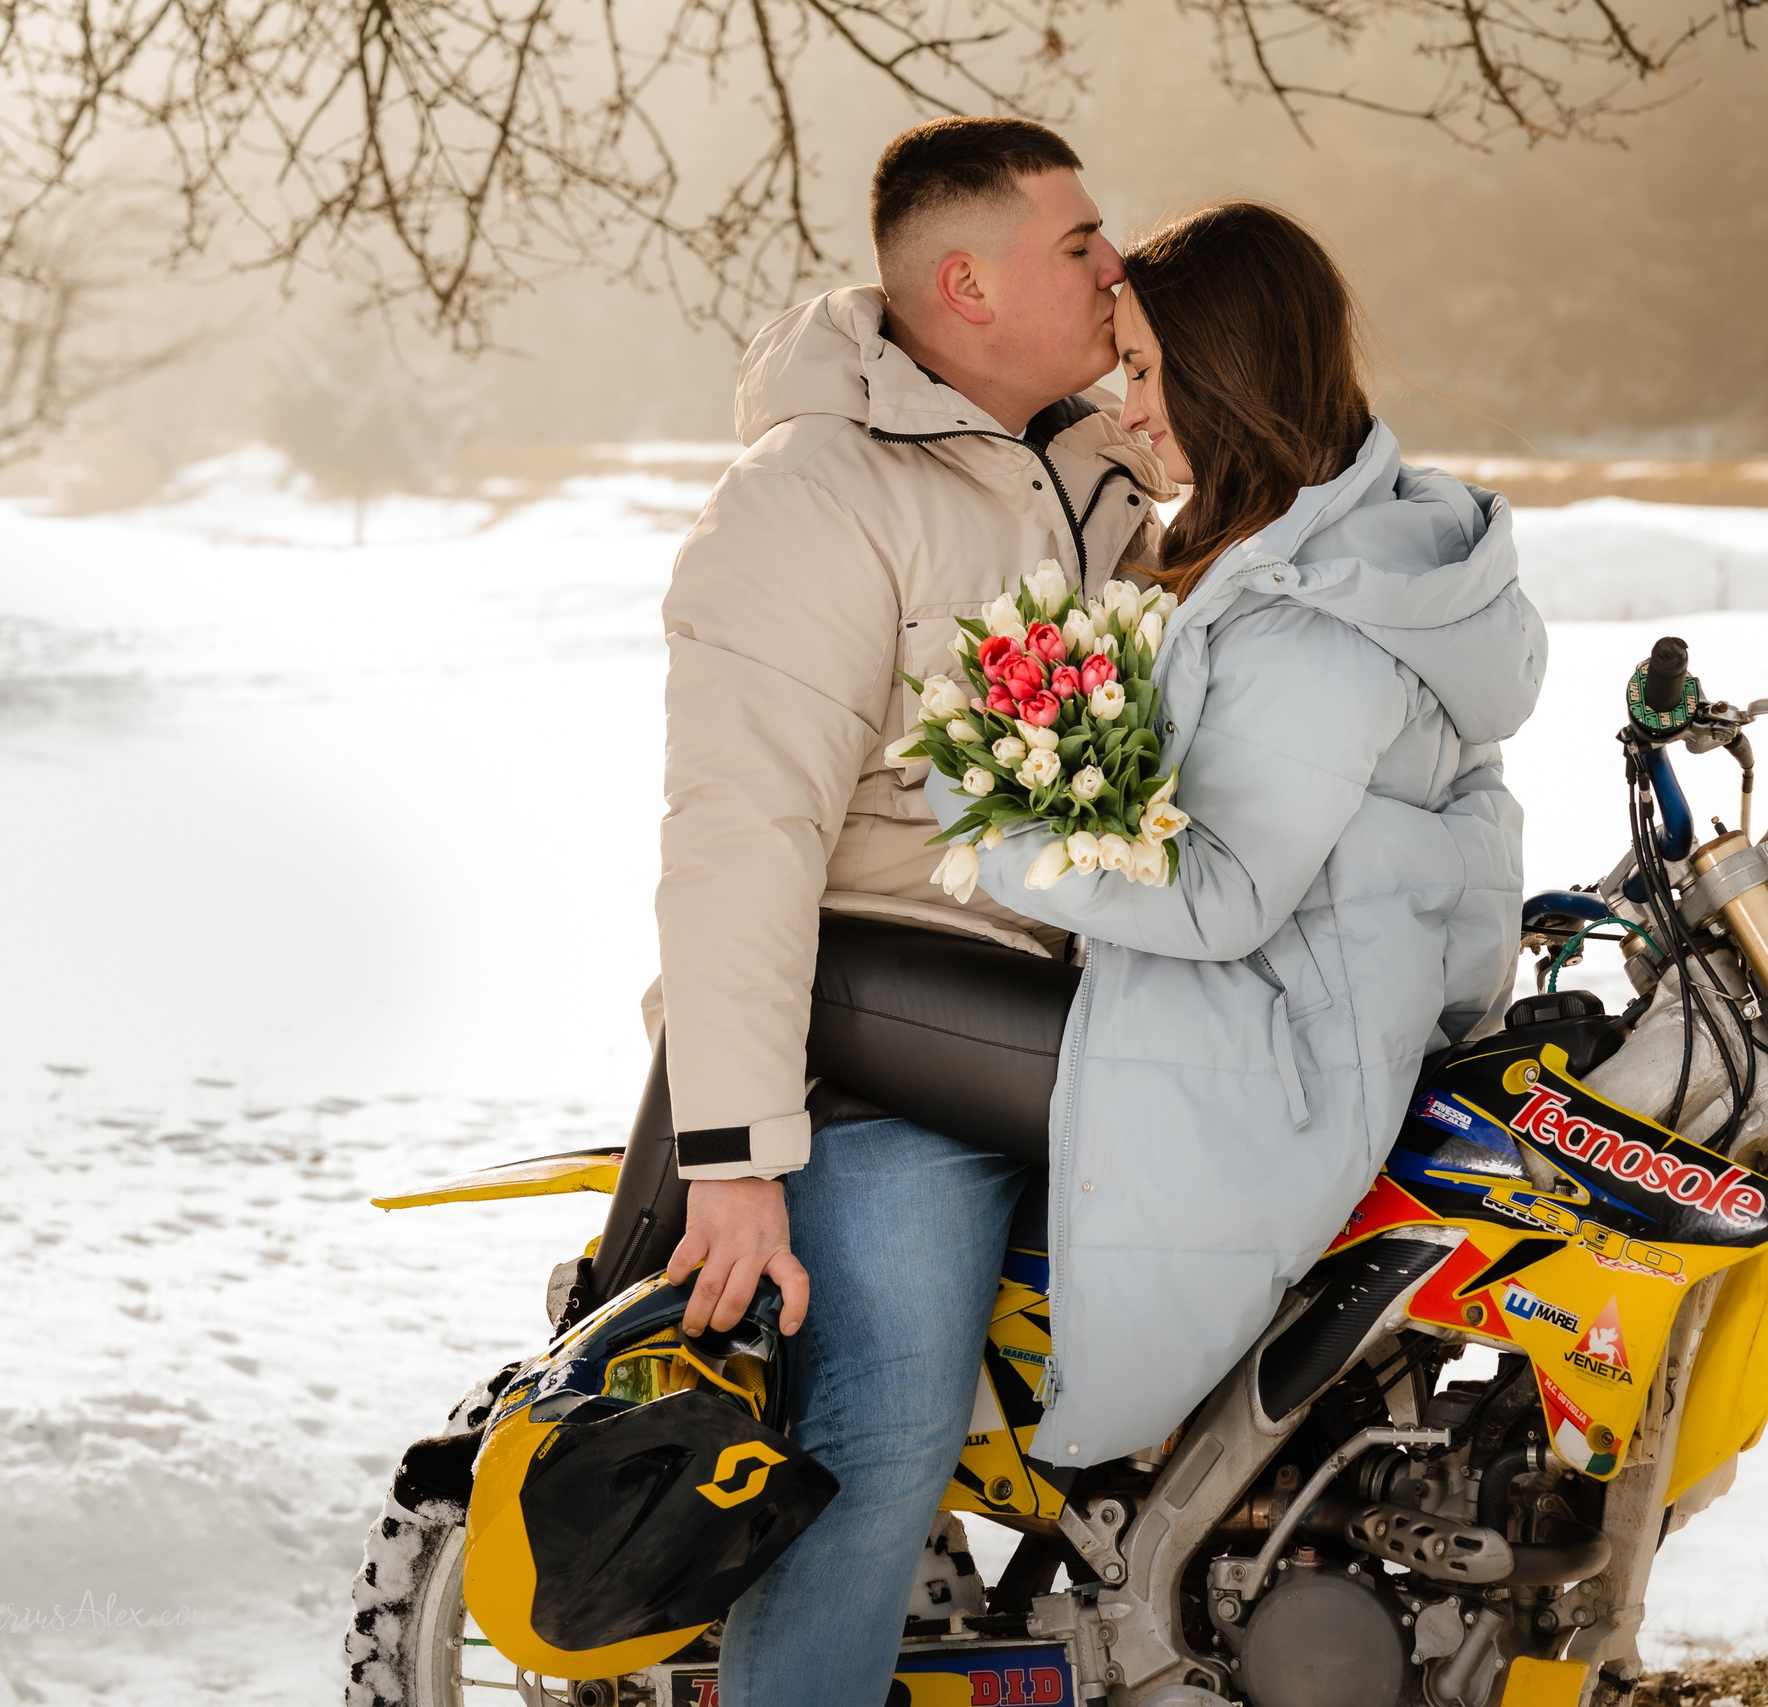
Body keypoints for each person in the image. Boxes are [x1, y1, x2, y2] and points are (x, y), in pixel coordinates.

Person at [646, 118, 1166, 1705]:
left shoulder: (1102, 466)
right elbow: (743, 832)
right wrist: (731, 1156)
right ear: (966, 280)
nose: (1114, 264)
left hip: (1109, 1018)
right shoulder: (813, 495)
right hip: (887, 1051)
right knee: (878, 1438)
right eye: (1078, 242)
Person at [926, 200, 1546, 1464]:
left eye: (1146, 370)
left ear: (1230, 369)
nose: (1128, 405)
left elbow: (1220, 901)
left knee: (842, 991)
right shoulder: (1337, 548)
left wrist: (985, 814)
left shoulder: (1313, 619)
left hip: (1276, 1036)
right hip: (1322, 997)